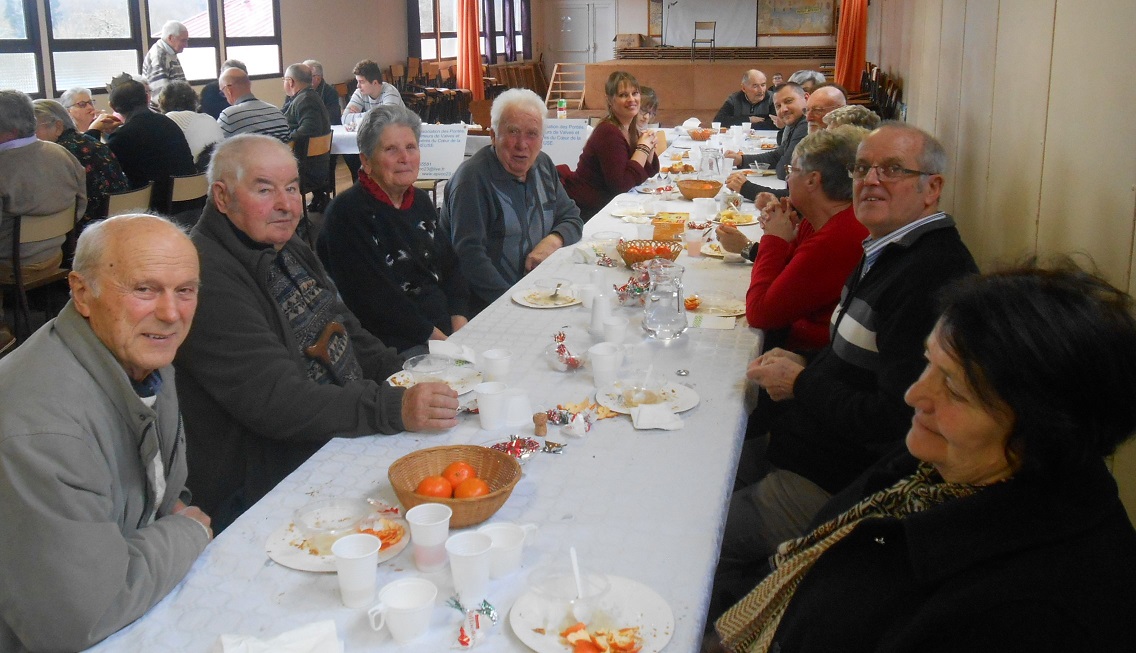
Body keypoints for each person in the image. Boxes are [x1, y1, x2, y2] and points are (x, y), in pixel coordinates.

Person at [710, 264, 1136, 652]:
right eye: (929, 363)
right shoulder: (942, 465)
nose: (915, 394)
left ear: (1042, 427)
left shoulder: (1028, 616)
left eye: (954, 389)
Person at [710, 124, 979, 620]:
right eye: (862, 168)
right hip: (804, 443)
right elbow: (852, 359)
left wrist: (803, 381)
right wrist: (803, 363)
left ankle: (734, 622)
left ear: (932, 189)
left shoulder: (929, 276)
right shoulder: (885, 250)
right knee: (700, 455)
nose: (871, 181)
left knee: (693, 531)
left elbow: (896, 419)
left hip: (832, 479)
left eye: (893, 170)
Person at [174, 134, 459, 530]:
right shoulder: (206, 279)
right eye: (264, 189)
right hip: (266, 485)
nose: (286, 204)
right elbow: (278, 401)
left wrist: (407, 374)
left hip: (336, 432)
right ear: (222, 197)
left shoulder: (283, 245)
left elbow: (347, 330)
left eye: (292, 188)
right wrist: (393, 407)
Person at [0, 214, 212, 652]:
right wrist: (187, 532)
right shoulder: (42, 431)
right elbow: (80, 617)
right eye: (144, 289)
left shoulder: (142, 355)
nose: (171, 313)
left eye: (185, 290)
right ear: (81, 292)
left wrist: (169, 517)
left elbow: (165, 495)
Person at [318, 105, 469, 353]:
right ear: (365, 160)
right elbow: (377, 303)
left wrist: (460, 320)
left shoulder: (419, 201)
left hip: (444, 331)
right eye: (391, 149)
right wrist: (444, 343)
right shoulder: (347, 215)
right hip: (395, 344)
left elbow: (450, 266)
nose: (405, 158)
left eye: (411, 147)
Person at [717, 126, 869, 352]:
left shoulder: (835, 238)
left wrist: (773, 239)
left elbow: (760, 313)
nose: (787, 178)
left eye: (792, 170)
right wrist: (783, 232)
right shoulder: (819, 219)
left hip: (808, 355)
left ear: (812, 180)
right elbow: (788, 274)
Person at [439, 89, 583, 313]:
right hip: (487, 306)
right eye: (513, 132)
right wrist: (513, 304)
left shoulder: (543, 166)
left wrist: (552, 241)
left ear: (542, 139)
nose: (522, 144)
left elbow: (571, 217)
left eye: (532, 133)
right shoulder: (472, 180)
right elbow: (469, 257)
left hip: (538, 292)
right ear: (494, 136)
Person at [0, 90, 86, 353]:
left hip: (10, 264)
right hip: (54, 256)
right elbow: (81, 205)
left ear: (8, 131)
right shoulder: (61, 154)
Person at [562, 71, 660, 221]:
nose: (632, 99)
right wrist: (643, 149)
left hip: (609, 205)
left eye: (635, 93)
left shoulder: (630, 128)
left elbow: (647, 171)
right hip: (588, 211)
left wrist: (649, 147)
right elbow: (621, 185)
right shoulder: (608, 132)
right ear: (610, 100)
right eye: (623, 95)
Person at [32, 99, 128, 223]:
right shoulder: (88, 139)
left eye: (33, 129)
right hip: (120, 216)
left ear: (58, 127)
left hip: (91, 225)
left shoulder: (58, 152)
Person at [105, 79, 196, 209]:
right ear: (147, 98)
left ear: (113, 106)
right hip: (189, 201)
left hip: (153, 207)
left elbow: (101, 165)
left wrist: (94, 131)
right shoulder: (168, 123)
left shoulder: (122, 136)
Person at [727, 82, 808, 182]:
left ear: (806, 98)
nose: (783, 109)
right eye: (778, 106)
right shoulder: (796, 124)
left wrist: (745, 187)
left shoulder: (806, 125)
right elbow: (777, 155)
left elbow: (785, 171)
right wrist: (741, 160)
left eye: (788, 101)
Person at [342, 59, 405, 182]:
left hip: (395, 139)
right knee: (350, 153)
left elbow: (386, 120)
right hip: (372, 138)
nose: (358, 86)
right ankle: (360, 184)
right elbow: (345, 117)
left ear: (375, 83)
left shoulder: (389, 92)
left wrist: (360, 116)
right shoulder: (360, 92)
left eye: (361, 82)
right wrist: (371, 116)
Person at [282, 62, 332, 196]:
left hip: (308, 169)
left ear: (291, 82)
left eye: (284, 80)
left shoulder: (306, 99)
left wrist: (286, 140)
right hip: (315, 164)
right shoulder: (307, 96)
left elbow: (309, 129)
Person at [158, 80, 225, 170]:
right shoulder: (209, 118)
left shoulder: (168, 120)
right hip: (218, 173)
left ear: (163, 101)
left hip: (189, 180)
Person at [216, 67, 291, 142]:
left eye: (223, 92)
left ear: (228, 90)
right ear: (249, 84)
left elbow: (214, 148)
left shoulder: (228, 116)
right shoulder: (277, 112)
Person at [141, 20, 189, 98]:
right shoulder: (160, 57)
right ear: (170, 38)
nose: (186, 45)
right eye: (183, 40)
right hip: (165, 109)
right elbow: (159, 96)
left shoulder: (170, 52)